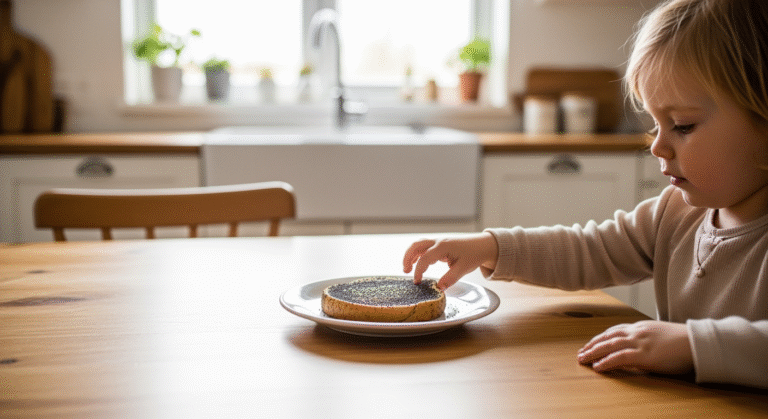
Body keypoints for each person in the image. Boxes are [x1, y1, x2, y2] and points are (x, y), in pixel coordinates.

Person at [403, 0, 768, 389]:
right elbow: (590, 248)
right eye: (655, 123)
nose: (657, 146)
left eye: (682, 125)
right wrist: (490, 247)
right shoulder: (673, 213)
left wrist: (694, 346)